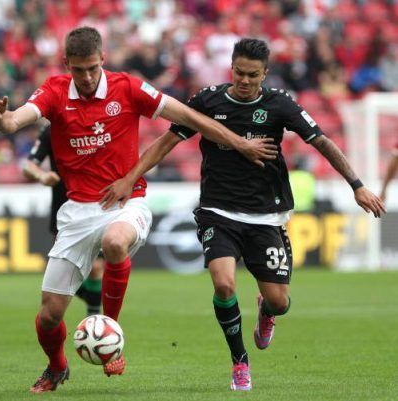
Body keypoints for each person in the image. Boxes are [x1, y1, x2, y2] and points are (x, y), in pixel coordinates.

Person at [0, 27, 277, 393]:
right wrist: (0, 120)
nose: (87, 78)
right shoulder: (54, 91)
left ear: (103, 59)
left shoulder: (129, 88)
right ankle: (57, 367)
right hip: (76, 212)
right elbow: (14, 120)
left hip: (126, 203)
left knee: (115, 242)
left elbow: (190, 117)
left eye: (92, 68)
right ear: (66, 65)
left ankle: (110, 332)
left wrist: (240, 144)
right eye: (78, 70)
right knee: (48, 316)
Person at [100, 38, 386, 392]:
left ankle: (266, 311)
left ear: (265, 74)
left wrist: (357, 185)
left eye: (253, 74)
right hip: (217, 211)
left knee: (281, 303)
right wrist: (131, 178)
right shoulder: (208, 100)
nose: (244, 80)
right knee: (224, 282)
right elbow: (167, 141)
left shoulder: (279, 104)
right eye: (239, 72)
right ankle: (239, 361)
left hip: (266, 215)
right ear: (231, 67)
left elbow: (321, 141)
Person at [23, 124, 103, 316]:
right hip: (64, 210)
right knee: (64, 272)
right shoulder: (51, 130)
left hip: (97, 206)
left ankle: (94, 321)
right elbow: (29, 166)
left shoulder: (100, 122)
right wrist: (42, 176)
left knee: (96, 267)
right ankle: (91, 303)